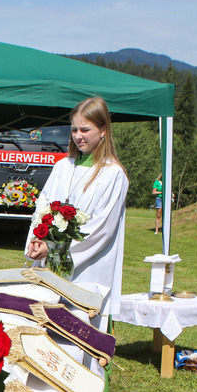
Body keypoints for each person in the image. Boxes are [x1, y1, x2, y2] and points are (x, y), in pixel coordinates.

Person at [26, 96, 129, 325]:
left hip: (88, 266)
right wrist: (36, 239)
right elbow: (42, 208)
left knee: (81, 328)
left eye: (85, 129)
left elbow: (102, 228)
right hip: (49, 261)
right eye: (74, 129)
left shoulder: (112, 174)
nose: (78, 136)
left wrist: (56, 249)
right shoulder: (63, 166)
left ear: (103, 130)